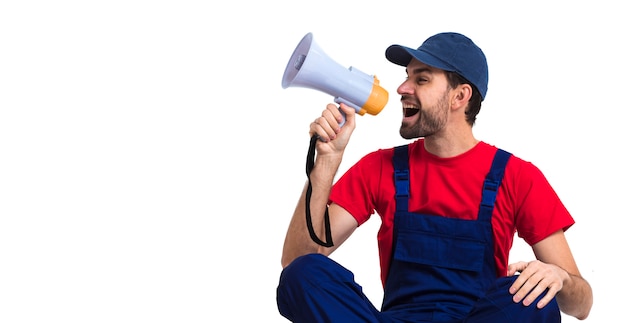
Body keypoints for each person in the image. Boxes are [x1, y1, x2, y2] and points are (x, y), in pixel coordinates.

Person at [276, 32, 593, 322]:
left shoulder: (517, 177)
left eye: (421, 79)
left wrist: (559, 278)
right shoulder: (380, 167)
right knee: (303, 274)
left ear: (460, 97)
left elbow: (581, 305)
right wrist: (326, 162)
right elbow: (297, 259)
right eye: (406, 77)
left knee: (536, 297)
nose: (402, 89)